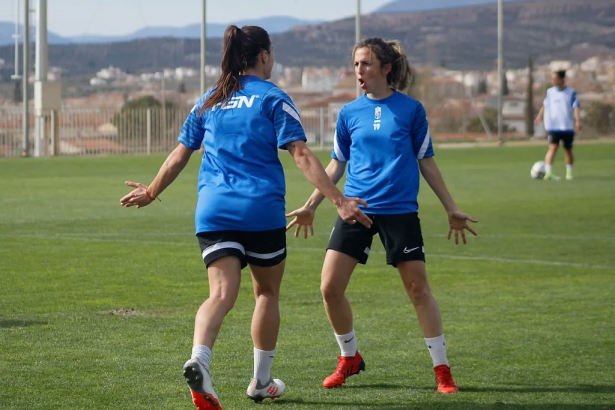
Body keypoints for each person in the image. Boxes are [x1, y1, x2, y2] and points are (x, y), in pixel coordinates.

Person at [119, 25, 371, 410]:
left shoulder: (209, 99)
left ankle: (199, 360)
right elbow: (301, 155)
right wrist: (338, 201)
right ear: (264, 56)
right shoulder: (272, 97)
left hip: (214, 211)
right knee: (266, 292)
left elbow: (180, 154)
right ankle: (261, 381)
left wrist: (152, 191)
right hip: (261, 211)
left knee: (219, 295)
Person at [286, 37, 478, 395]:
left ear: (386, 69)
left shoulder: (411, 110)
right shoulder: (348, 113)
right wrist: (312, 204)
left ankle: (442, 371)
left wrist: (451, 207)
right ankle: (349, 358)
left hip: (400, 211)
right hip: (354, 208)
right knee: (329, 288)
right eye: (356, 64)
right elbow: (336, 164)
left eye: (366, 64)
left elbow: (427, 162)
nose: (359, 71)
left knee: (418, 290)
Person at [534, 70, 581, 181]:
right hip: (553, 126)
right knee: (553, 148)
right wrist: (539, 117)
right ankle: (549, 173)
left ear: (562, 80)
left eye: (555, 78)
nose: (553, 81)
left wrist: (578, 120)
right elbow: (545, 105)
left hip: (567, 126)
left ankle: (569, 172)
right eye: (552, 79)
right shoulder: (550, 92)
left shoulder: (571, 92)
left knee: (567, 149)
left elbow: (576, 107)